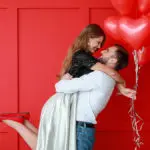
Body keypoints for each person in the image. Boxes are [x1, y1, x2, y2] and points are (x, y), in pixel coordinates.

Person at [0, 24, 135, 150]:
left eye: (108, 50)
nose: (102, 49)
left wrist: (121, 85)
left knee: (46, 144)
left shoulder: (100, 75)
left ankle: (18, 122)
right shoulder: (95, 68)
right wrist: (121, 85)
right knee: (45, 145)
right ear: (88, 38)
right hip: (71, 117)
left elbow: (63, 86)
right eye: (99, 43)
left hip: (75, 122)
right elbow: (111, 73)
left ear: (113, 60)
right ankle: (17, 122)